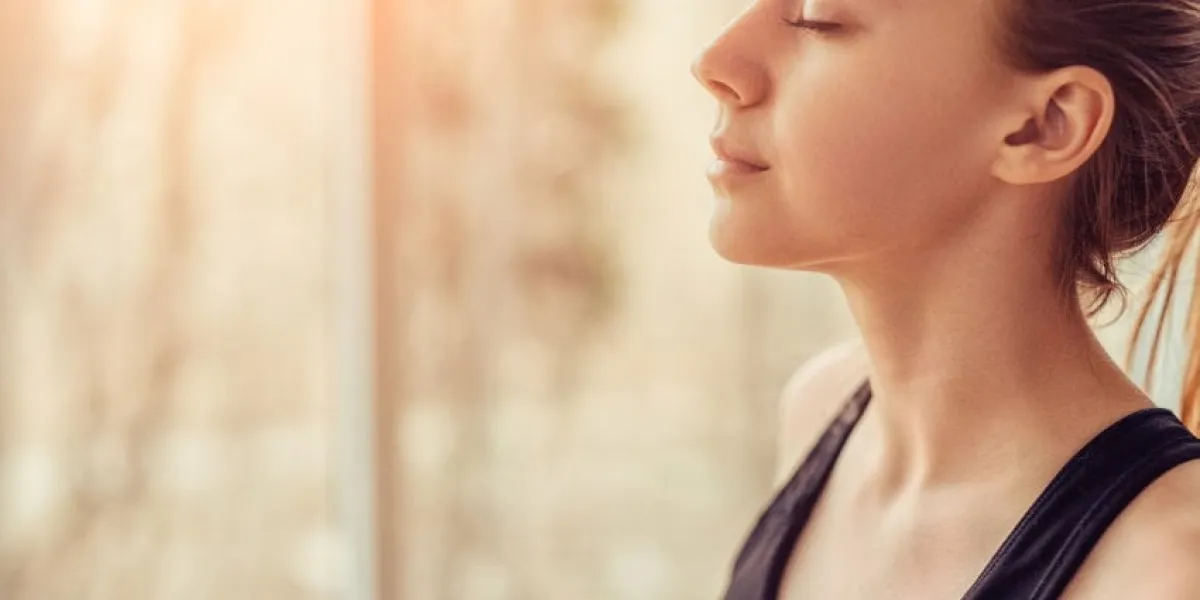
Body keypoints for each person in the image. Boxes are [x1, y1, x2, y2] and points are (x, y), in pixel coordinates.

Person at [691, 0, 1200, 598]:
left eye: (817, 16)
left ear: (1045, 124)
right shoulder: (819, 408)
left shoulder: (1166, 567)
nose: (714, 61)